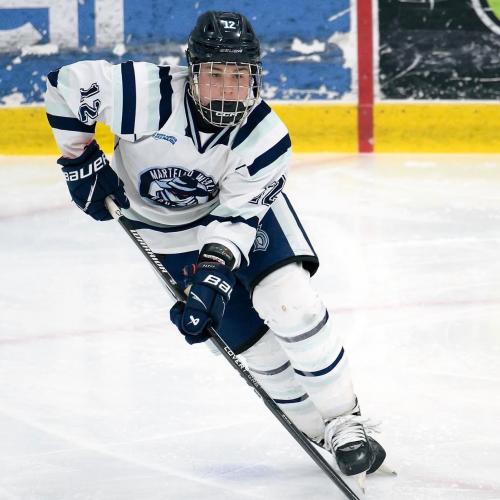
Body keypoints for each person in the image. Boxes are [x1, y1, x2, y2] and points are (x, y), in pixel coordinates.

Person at [45, 11, 386, 477]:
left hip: (241, 217)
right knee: (250, 346)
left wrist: (214, 272)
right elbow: (64, 85)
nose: (227, 88)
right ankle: (319, 431)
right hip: (165, 233)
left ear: (255, 77)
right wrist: (79, 156)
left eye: (239, 75)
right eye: (215, 74)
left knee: (290, 303)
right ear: (191, 73)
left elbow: (238, 218)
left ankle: (346, 421)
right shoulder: (143, 94)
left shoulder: (265, 136)